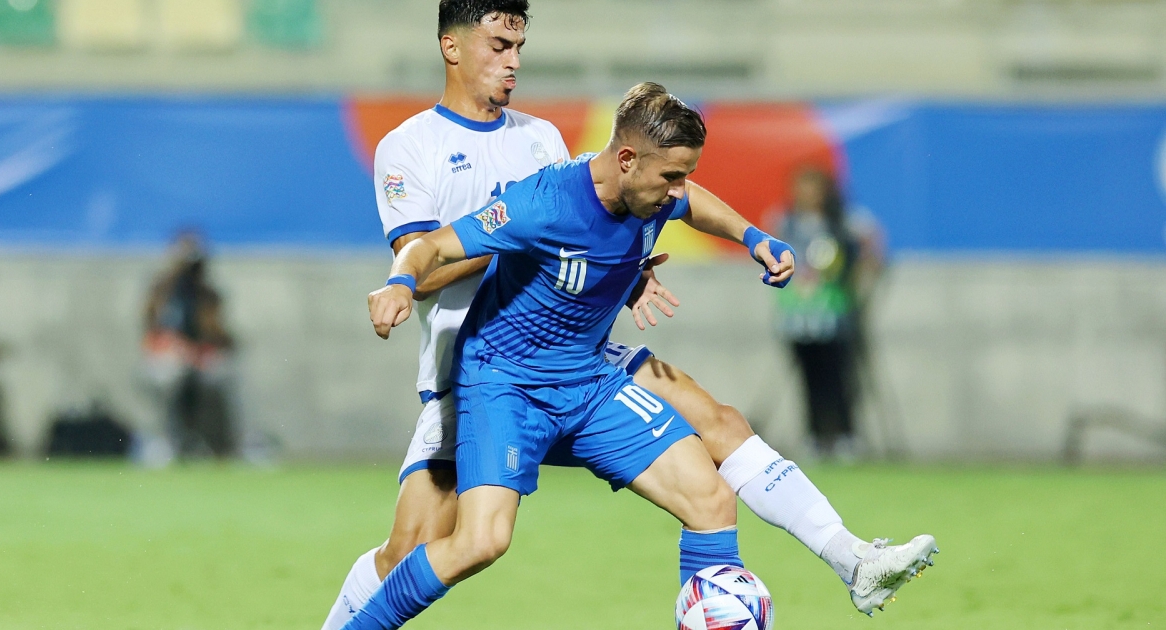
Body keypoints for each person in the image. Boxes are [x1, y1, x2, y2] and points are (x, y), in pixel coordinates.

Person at [321, 2, 935, 625]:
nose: (513, 62)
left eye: (519, 47)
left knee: (717, 435)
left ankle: (850, 557)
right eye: (499, 46)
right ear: (451, 48)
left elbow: (620, 213)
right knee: (419, 549)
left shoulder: (540, 139)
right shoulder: (412, 147)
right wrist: (547, 251)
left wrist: (621, 268)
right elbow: (427, 264)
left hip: (576, 352)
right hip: (475, 367)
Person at [773, 168, 886, 460]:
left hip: (833, 312)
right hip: (798, 315)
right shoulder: (786, 222)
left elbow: (872, 242)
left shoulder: (843, 222)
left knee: (838, 377)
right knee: (808, 380)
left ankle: (846, 435)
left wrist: (858, 281)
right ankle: (815, 435)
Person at [143, 231, 237, 459]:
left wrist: (203, 352)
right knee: (168, 376)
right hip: (169, 359)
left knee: (226, 374)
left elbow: (220, 337)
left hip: (200, 360)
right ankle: (166, 442)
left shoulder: (208, 295)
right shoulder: (160, 292)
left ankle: (227, 445)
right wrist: (178, 349)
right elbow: (152, 335)